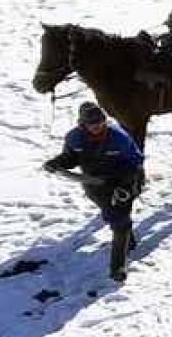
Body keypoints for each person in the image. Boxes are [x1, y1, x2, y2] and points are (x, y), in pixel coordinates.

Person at [44, 102, 146, 282]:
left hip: (122, 182)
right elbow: (70, 158)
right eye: (92, 124)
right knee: (112, 215)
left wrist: (125, 183)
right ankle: (127, 241)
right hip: (94, 185)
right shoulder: (74, 138)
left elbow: (135, 161)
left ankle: (118, 267)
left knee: (119, 220)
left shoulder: (119, 137)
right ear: (82, 124)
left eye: (100, 122)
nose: (97, 126)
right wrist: (56, 163)